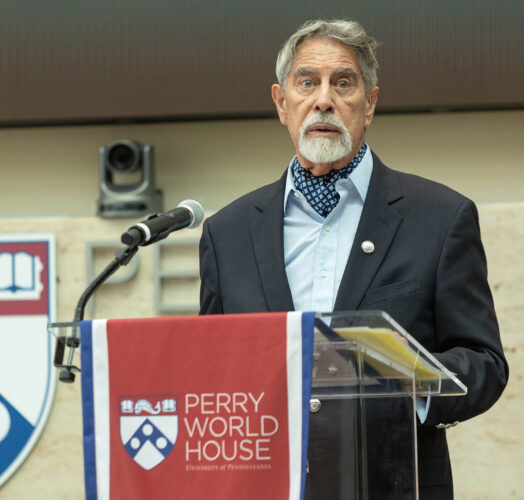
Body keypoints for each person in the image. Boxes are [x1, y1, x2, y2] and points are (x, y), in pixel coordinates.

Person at [198, 19, 508, 500]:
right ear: (282, 103)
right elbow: (211, 370)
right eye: (307, 83)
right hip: (265, 484)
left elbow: (484, 363)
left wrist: (408, 380)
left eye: (343, 83)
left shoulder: (440, 218)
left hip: (394, 484)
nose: (324, 100)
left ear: (370, 103)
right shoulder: (227, 233)